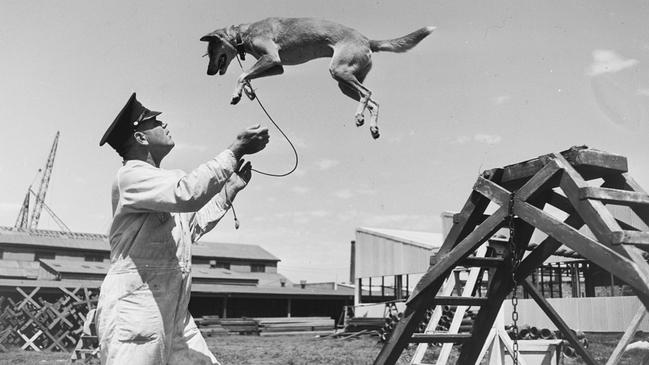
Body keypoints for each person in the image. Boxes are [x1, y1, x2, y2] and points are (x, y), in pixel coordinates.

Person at [96, 92, 269, 365]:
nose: (163, 123)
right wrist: (234, 151)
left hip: (172, 314)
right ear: (140, 139)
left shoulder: (158, 185)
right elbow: (187, 193)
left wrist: (228, 192)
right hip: (136, 311)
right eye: (153, 121)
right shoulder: (131, 175)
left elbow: (192, 226)